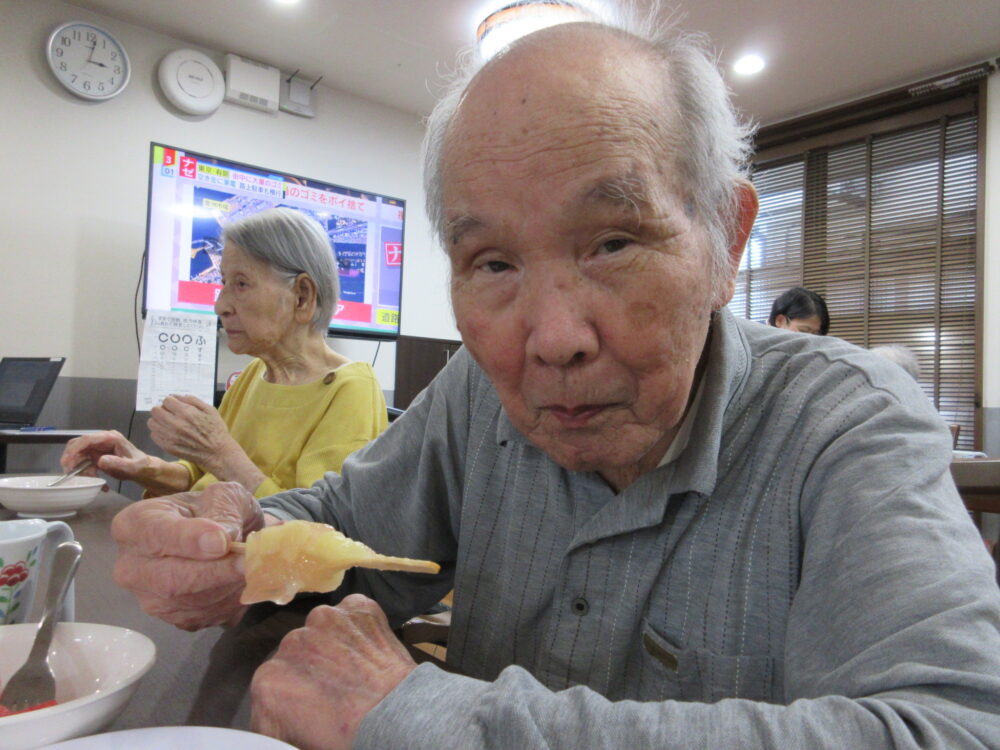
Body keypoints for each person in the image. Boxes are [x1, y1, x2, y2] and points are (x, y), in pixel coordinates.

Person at [109, 15, 1000, 750]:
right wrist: (238, 536)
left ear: (727, 242)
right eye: (491, 262)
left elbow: (953, 728)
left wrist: (425, 717)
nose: (555, 340)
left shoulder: (847, 422)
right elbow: (345, 534)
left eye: (614, 242)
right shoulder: (474, 395)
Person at [62, 208, 387, 499]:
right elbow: (204, 479)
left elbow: (317, 529)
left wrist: (219, 453)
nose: (220, 305)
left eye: (241, 284)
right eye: (223, 282)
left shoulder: (351, 389)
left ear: (301, 296)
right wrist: (141, 466)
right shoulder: (252, 376)